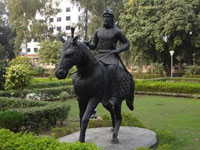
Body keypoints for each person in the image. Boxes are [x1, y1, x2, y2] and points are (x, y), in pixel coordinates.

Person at [86, 8, 130, 106]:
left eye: (108, 17)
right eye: (104, 17)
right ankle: (88, 92)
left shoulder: (117, 31)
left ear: (112, 19)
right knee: (90, 69)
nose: (105, 19)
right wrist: (88, 44)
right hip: (99, 56)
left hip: (111, 56)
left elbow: (127, 43)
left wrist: (118, 50)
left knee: (111, 69)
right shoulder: (98, 31)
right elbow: (93, 45)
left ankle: (114, 96)